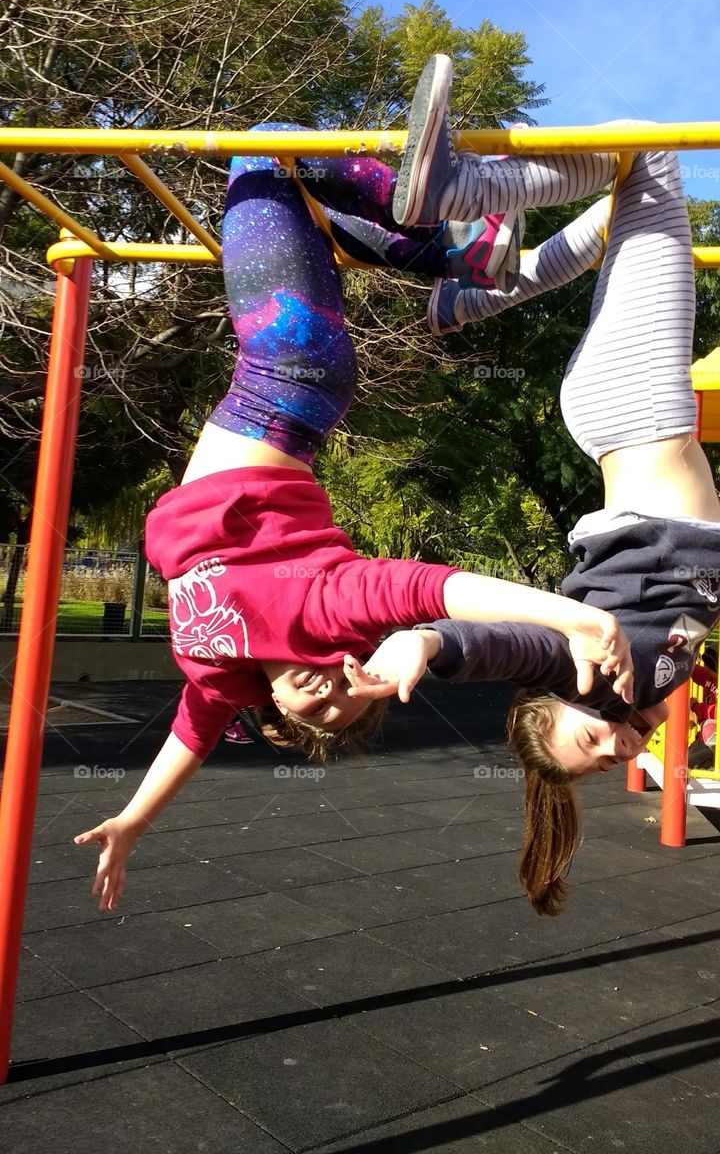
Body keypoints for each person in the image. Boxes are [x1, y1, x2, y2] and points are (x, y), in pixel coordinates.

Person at [74, 128, 631, 911]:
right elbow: (436, 588)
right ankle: (451, 213)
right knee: (263, 154)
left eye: (320, 707)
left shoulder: (219, 674)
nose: (331, 688)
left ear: (275, 713)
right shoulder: (324, 608)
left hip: (291, 378)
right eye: (354, 690)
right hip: (285, 370)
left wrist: (132, 819)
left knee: (297, 192)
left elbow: (186, 741)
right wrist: (570, 620)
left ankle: (468, 258)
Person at [345, 52, 720, 915]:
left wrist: (429, 645)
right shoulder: (646, 690)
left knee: (647, 152)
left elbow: (510, 647)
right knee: (633, 178)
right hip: (622, 413)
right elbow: (660, 671)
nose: (621, 746)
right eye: (615, 758)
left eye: (595, 741)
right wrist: (637, 723)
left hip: (635, 410)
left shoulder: (581, 664)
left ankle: (462, 193)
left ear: (560, 700)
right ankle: (481, 293)